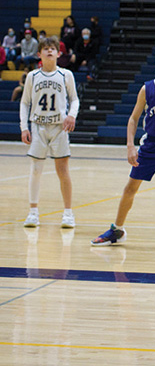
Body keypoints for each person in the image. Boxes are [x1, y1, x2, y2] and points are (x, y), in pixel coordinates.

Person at [91, 46, 155, 246]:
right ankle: (117, 230)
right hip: (151, 144)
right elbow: (133, 119)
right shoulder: (147, 89)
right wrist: (130, 146)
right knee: (130, 188)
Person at [19, 36, 79, 229]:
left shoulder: (66, 75)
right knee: (36, 170)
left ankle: (68, 213)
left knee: (63, 171)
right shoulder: (32, 76)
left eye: (53, 48)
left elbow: (75, 100)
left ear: (59, 53)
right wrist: (24, 127)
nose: (50, 51)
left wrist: (71, 115)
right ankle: (33, 212)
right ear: (39, 54)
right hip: (38, 126)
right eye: (46, 49)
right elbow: (25, 102)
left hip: (59, 128)